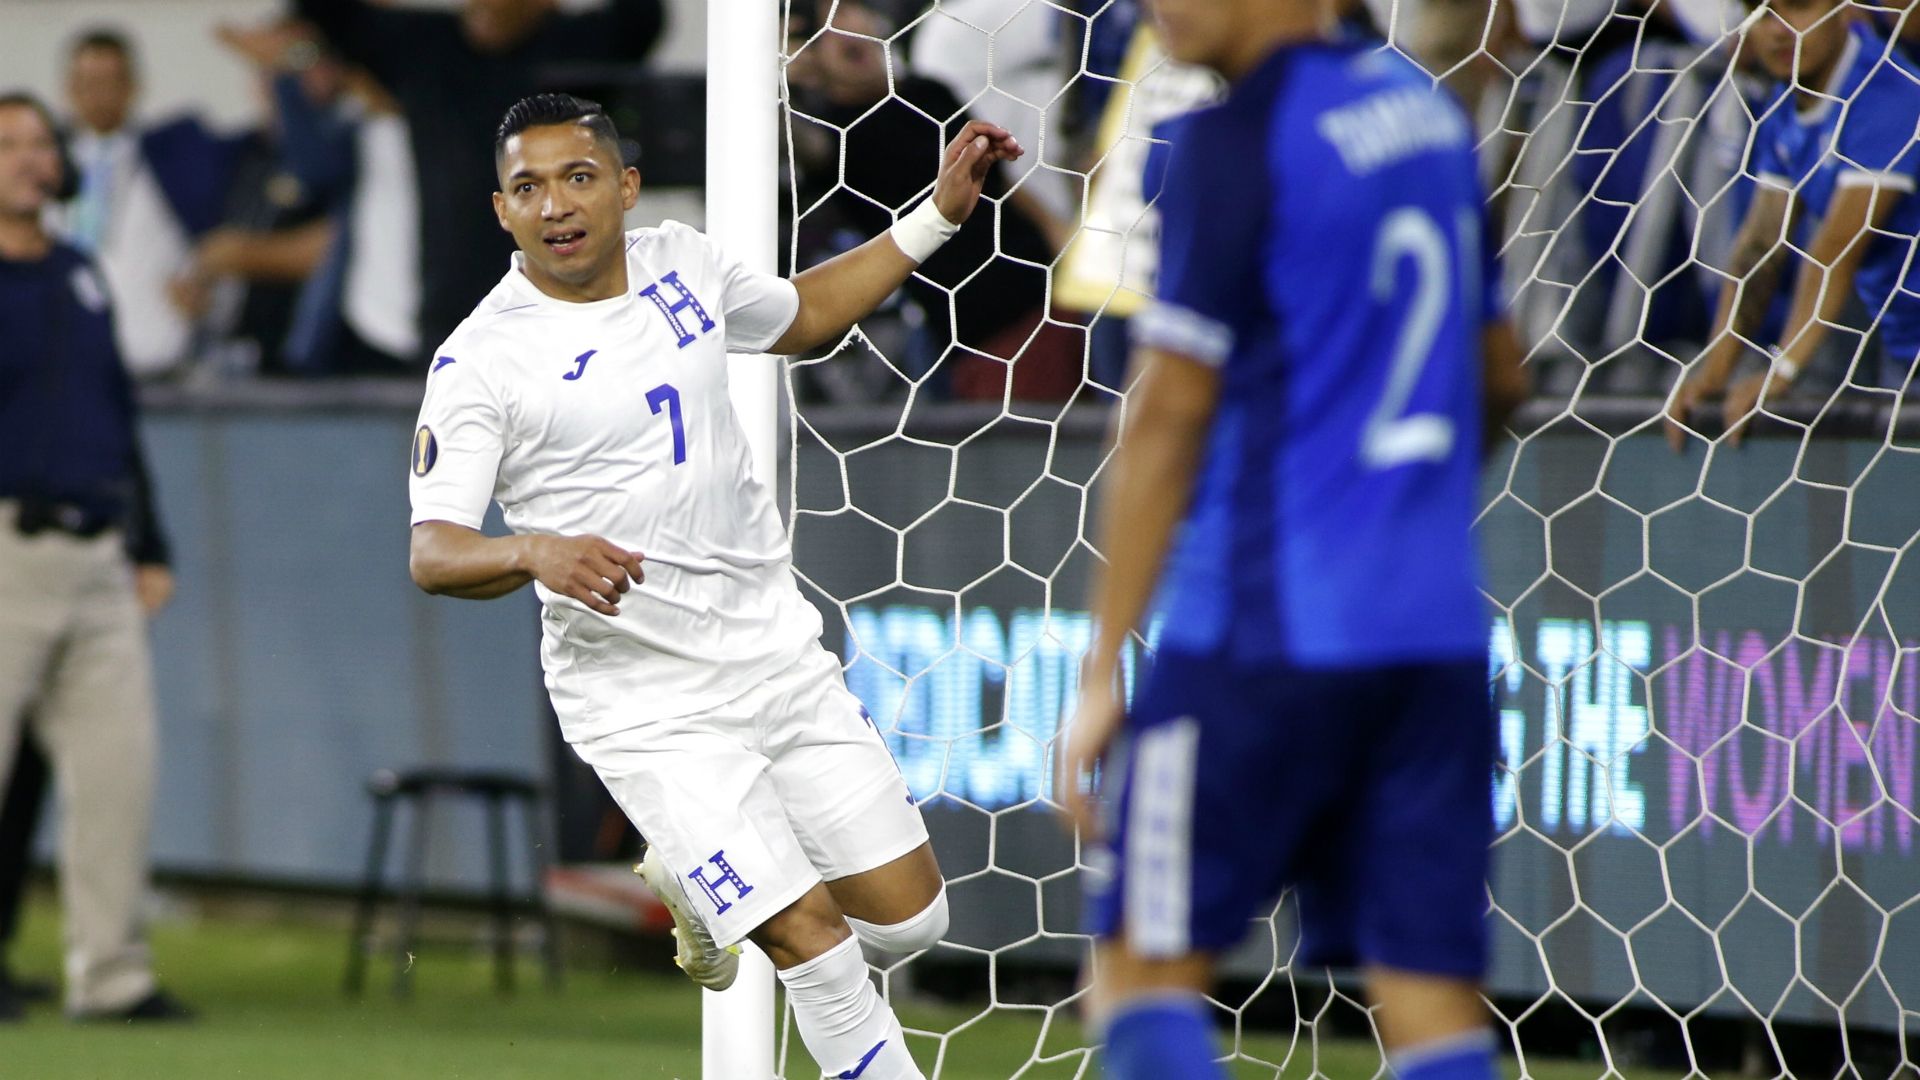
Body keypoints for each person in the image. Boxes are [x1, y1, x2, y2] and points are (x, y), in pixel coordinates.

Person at [406, 93, 1021, 1080]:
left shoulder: (683, 263)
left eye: (578, 177)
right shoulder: (481, 359)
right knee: (810, 944)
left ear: (625, 188)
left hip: (772, 651)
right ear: (501, 211)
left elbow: (807, 316)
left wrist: (940, 215)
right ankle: (729, 879)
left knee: (910, 923)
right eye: (529, 187)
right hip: (645, 700)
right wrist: (532, 552)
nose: (557, 204)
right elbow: (433, 551)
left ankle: (698, 882)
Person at [1055, 1, 1528, 1077]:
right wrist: (1398, 502)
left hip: (1262, 631)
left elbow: (1169, 409)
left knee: (1134, 977)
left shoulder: (1229, 143)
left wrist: (1100, 671)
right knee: (1430, 1000)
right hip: (1432, 637)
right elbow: (1503, 373)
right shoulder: (1427, 115)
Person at [0, 91, 188, 1022]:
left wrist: (150, 540)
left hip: (98, 556)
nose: (31, 158)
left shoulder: (80, 272)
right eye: (9, 144)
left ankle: (111, 979)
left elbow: (116, 417)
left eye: (41, 142)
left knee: (118, 776)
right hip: (6, 552)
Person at [295, 0, 664, 357]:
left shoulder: (577, 46)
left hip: (567, 320)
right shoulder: (423, 46)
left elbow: (641, 16)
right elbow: (329, 11)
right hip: (454, 322)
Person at [1666, 1, 1920, 447]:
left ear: (1844, 9)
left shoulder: (1891, 95)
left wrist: (1781, 371)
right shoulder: (1785, 102)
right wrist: (1714, 371)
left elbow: (1835, 253)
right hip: (1903, 344)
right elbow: (1760, 246)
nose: (1780, 31)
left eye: (1799, 7)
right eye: (1763, 13)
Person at [60, 29, 244, 378]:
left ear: (133, 86)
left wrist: (210, 297)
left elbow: (217, 244)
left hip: (155, 362)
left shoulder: (177, 161)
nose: (98, 95)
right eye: (87, 82)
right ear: (68, 88)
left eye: (109, 81)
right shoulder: (46, 169)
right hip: (64, 367)